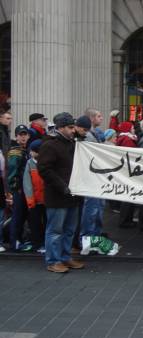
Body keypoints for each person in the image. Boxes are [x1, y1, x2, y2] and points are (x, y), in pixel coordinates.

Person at [38, 112, 84, 273]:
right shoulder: (50, 145)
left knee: (69, 230)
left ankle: (65, 257)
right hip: (58, 195)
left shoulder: (71, 143)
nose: (73, 130)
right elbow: (44, 169)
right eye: (70, 127)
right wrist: (62, 186)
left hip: (72, 195)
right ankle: (53, 260)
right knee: (56, 230)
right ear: (61, 127)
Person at [78, 115, 105, 240]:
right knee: (92, 209)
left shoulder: (90, 135)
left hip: (94, 177)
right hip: (91, 178)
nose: (101, 118)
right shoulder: (87, 137)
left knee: (95, 208)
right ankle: (88, 237)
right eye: (98, 116)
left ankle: (93, 236)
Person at [7, 125, 31, 252]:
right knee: (18, 215)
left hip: (25, 188)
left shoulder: (25, 150)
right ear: (16, 137)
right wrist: (15, 188)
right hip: (19, 189)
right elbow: (12, 172)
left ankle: (19, 240)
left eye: (25, 134)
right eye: (20, 134)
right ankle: (15, 242)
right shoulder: (15, 152)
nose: (23, 137)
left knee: (22, 215)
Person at [23, 139, 46, 253]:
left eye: (33, 151)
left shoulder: (46, 162)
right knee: (35, 223)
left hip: (47, 200)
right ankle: (37, 244)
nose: (31, 153)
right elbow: (27, 184)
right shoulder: (29, 163)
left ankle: (45, 243)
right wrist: (30, 201)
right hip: (35, 200)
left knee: (47, 223)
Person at [116, 121, 138, 227]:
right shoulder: (128, 140)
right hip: (129, 171)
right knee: (128, 198)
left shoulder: (124, 138)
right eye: (132, 128)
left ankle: (125, 219)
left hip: (125, 171)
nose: (134, 129)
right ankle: (125, 221)